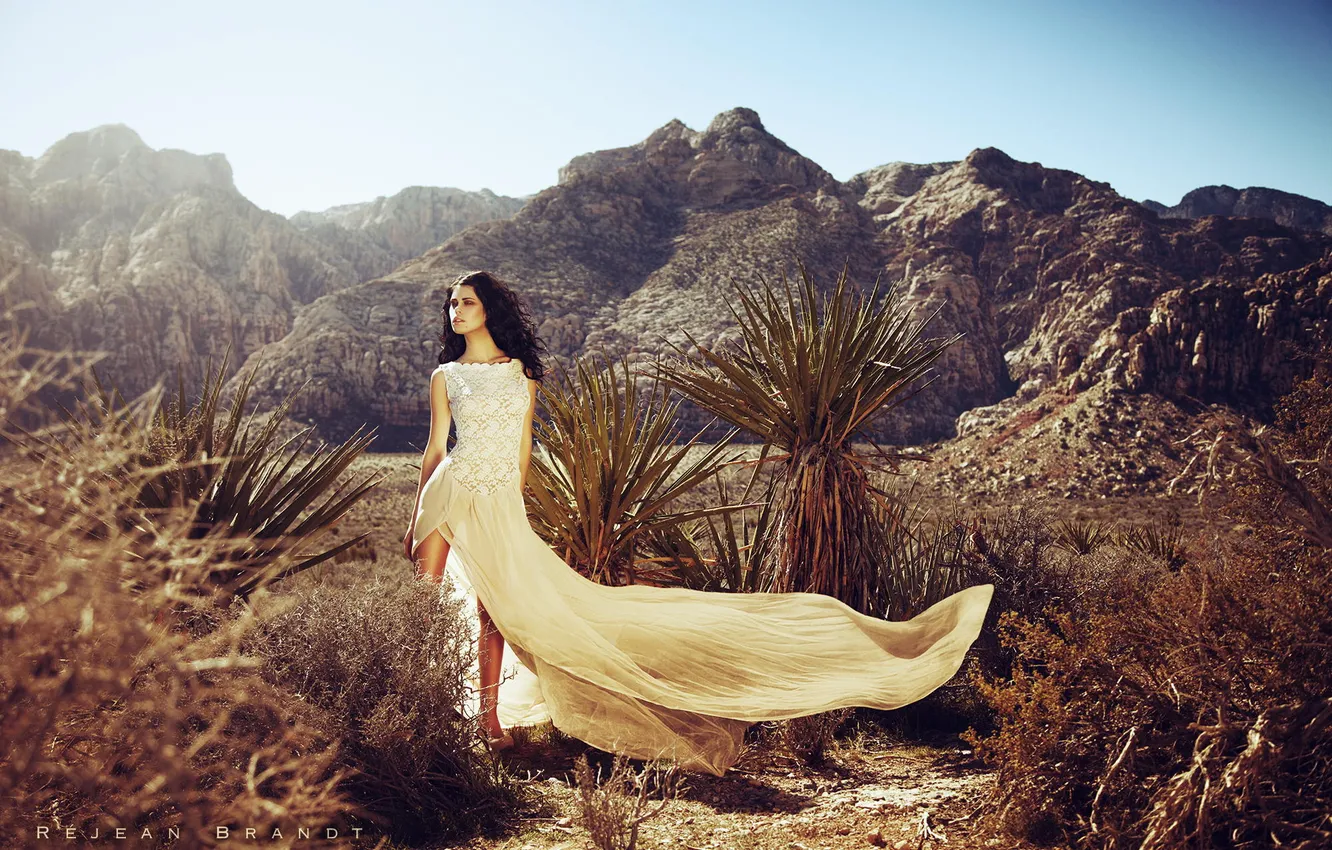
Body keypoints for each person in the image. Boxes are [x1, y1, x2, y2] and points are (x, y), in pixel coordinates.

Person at [404, 269, 995, 776]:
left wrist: (512, 507)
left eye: (467, 302)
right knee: (429, 603)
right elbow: (436, 449)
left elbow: (524, 449)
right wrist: (417, 512)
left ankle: (487, 723)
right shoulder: (446, 376)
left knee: (496, 614)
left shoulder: (519, 377)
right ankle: (425, 708)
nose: (456, 312)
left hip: (499, 503)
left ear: (491, 311)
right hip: (447, 493)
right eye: (452, 304)